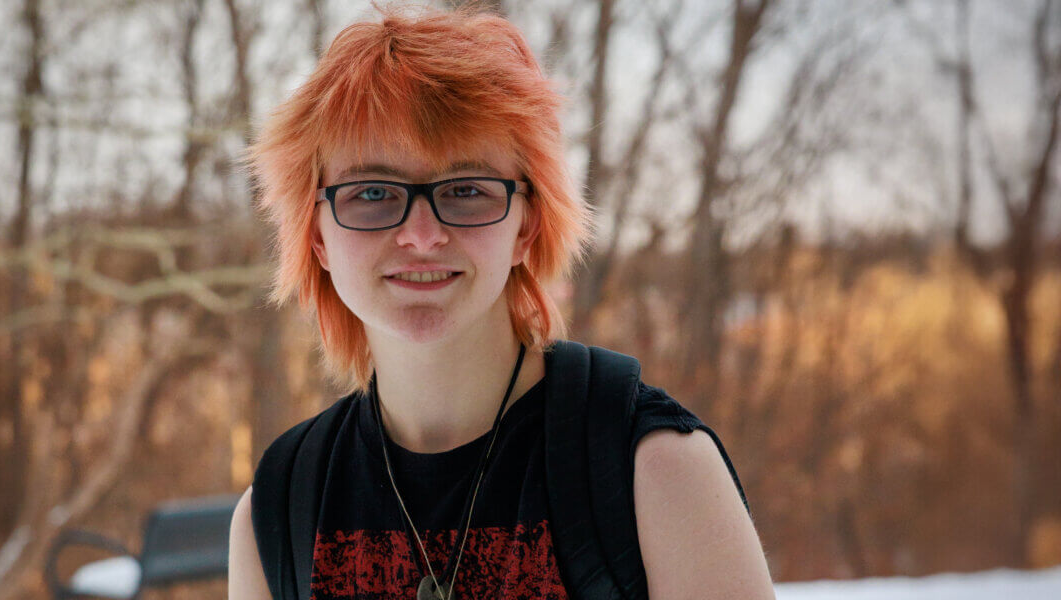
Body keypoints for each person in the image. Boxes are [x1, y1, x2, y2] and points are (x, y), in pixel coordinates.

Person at [229, 4, 774, 599]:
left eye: (466, 190)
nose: (421, 236)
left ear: (526, 226)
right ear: (317, 235)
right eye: (374, 193)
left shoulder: (657, 471)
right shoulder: (276, 513)